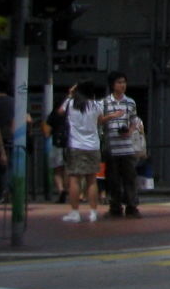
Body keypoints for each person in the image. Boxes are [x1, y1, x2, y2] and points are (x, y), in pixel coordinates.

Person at [99, 72, 142, 218]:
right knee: (113, 180)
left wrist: (129, 131)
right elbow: (99, 121)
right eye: (119, 82)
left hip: (127, 147)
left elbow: (134, 120)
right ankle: (115, 207)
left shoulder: (130, 102)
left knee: (130, 178)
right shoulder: (104, 102)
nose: (122, 85)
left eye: (124, 82)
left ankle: (132, 206)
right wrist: (112, 116)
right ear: (112, 85)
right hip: (111, 147)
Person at [61, 81, 103, 222]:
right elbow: (101, 120)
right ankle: (93, 212)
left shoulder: (70, 104)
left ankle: (75, 212)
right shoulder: (97, 105)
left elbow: (60, 112)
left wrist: (70, 94)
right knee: (92, 179)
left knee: (75, 179)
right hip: (93, 146)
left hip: (76, 146)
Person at [45, 99, 69, 203]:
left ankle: (61, 190)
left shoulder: (53, 115)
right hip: (70, 144)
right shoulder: (70, 113)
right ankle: (67, 189)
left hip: (57, 144)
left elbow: (47, 133)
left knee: (57, 170)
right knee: (67, 170)